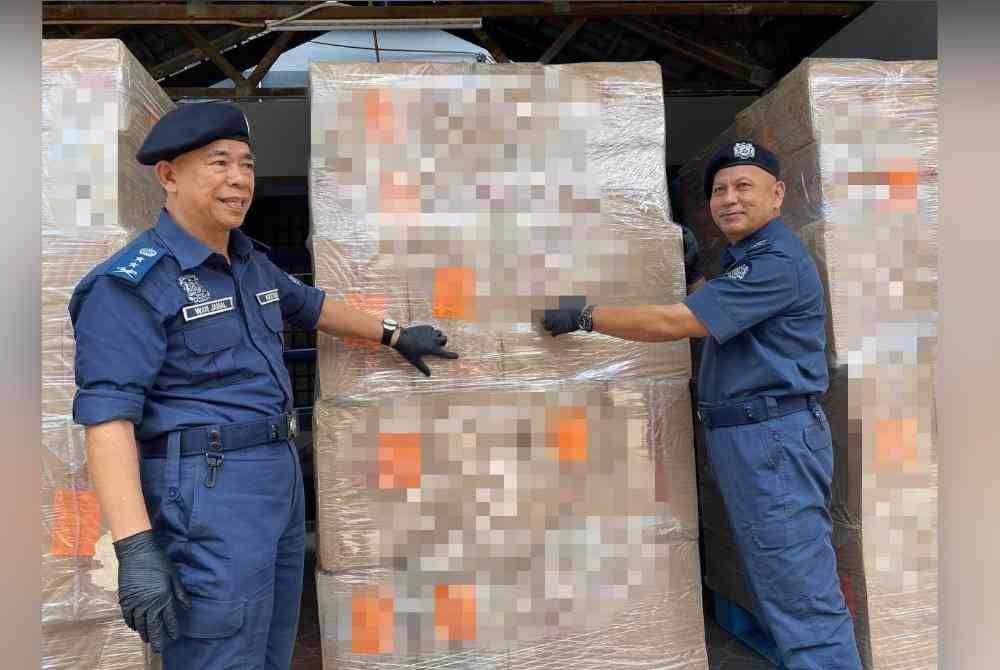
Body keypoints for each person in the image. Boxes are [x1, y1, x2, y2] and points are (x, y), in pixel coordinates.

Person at [69, 102, 458, 668]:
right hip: (207, 490)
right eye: (218, 163)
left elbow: (312, 306)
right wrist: (135, 548)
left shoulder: (251, 263)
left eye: (247, 165)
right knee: (220, 645)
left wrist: (395, 335)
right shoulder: (129, 285)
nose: (239, 180)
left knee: (271, 639)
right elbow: (107, 419)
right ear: (170, 176)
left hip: (276, 475)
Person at [541, 141, 862, 670]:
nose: (729, 199)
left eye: (743, 187)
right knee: (782, 581)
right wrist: (694, 277)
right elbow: (721, 317)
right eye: (719, 190)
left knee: (801, 591)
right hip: (753, 437)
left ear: (777, 194)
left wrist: (586, 316)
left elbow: (678, 324)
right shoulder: (748, 261)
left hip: (772, 439)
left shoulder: (776, 262)